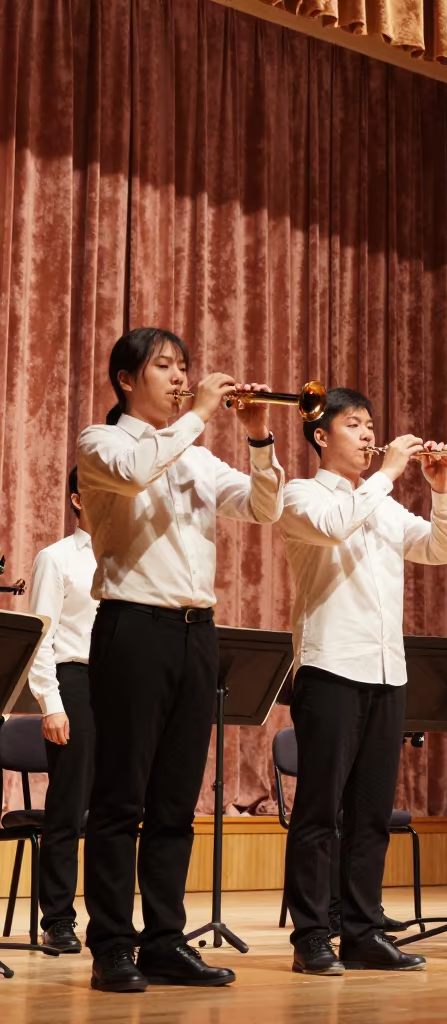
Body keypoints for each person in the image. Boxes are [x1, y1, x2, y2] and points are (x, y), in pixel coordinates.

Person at [77, 327, 284, 991]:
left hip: (197, 633)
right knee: (120, 797)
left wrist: (257, 440)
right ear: (126, 379)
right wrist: (199, 413)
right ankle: (112, 944)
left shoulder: (195, 458)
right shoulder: (101, 442)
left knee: (175, 800)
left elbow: (263, 507)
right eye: (164, 367)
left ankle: (165, 940)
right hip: (133, 625)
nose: (179, 377)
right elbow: (139, 471)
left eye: (184, 367)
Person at [280, 387, 447, 976]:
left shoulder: (379, 503)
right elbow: (334, 527)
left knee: (370, 812)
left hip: (387, 670)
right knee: (318, 811)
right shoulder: (300, 494)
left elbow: (439, 549)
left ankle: (362, 930)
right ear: (320, 436)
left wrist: (439, 489)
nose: (366, 435)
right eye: (354, 425)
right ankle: (312, 933)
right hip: (330, 665)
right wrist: (386, 474)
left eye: (370, 425)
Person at [27, 467, 98, 953]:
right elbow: (40, 637)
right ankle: (58, 918)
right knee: (68, 805)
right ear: (77, 498)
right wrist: (51, 704)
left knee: (118, 808)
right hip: (76, 680)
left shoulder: (132, 555)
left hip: (125, 686)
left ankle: (110, 919)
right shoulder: (57, 558)